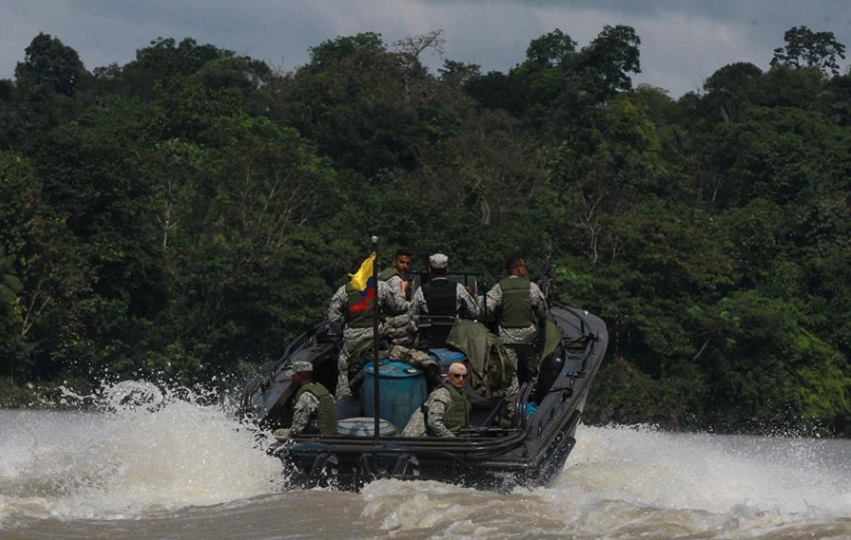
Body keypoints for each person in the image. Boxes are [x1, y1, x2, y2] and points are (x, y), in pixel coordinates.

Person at [328, 267, 408, 399]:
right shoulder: (381, 287)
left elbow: (333, 318)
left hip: (352, 341)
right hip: (376, 338)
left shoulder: (343, 291)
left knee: (343, 370)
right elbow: (396, 307)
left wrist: (340, 333)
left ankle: (344, 402)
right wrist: (402, 291)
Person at [484, 256, 549, 384]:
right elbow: (542, 311)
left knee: (510, 372)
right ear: (518, 269)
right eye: (524, 266)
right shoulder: (532, 287)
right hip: (528, 337)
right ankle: (532, 392)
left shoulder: (499, 287)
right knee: (532, 369)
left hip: (506, 337)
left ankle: (512, 396)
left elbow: (487, 308)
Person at [401, 362, 471, 437]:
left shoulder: (460, 393)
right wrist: (453, 439)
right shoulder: (442, 394)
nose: (461, 379)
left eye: (464, 376)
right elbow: (434, 422)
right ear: (449, 376)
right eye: (457, 376)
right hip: (422, 438)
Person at [273, 360, 336, 439]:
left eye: (294, 374)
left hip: (315, 439)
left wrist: (276, 433)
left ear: (300, 375)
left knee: (276, 434)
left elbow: (296, 430)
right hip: (330, 436)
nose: (292, 377)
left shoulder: (306, 397)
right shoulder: (324, 391)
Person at [408, 253, 480, 320]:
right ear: (447, 269)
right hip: (453, 331)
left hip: (429, 331)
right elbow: (475, 312)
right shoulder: (458, 288)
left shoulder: (421, 290)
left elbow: (411, 314)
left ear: (430, 270)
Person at [378, 250, 415, 345]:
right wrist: (403, 290)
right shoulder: (396, 280)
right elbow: (399, 306)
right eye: (401, 262)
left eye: (407, 263)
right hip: (385, 321)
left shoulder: (382, 275)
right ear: (394, 262)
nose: (405, 266)